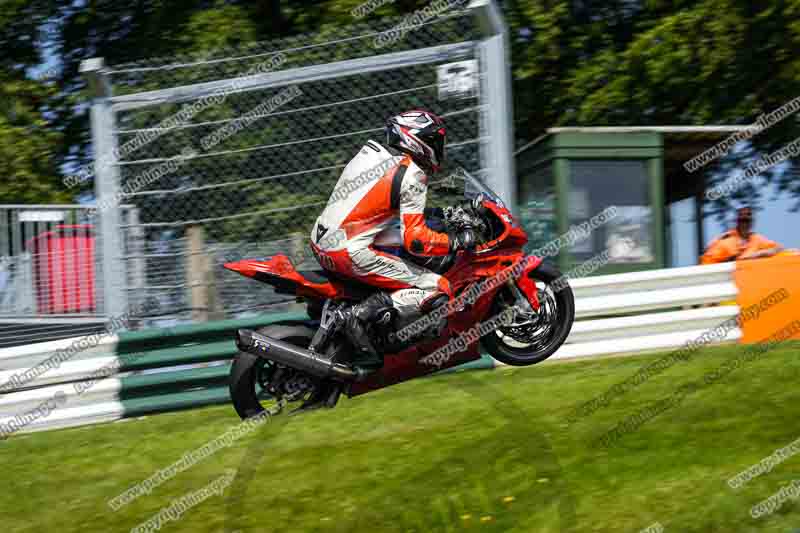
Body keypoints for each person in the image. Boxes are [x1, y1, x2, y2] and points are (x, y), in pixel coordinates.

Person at [309, 110, 476, 364]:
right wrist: (455, 241)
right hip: (348, 251)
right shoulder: (413, 174)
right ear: (417, 140)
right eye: (434, 141)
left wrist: (442, 214)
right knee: (437, 287)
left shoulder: (372, 155)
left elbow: (382, 208)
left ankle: (370, 324)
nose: (438, 147)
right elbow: (416, 240)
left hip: (322, 241)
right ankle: (356, 315)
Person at [700, 207, 784, 264]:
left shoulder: (757, 239)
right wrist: (728, 261)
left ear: (752, 222)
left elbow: (779, 248)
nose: (745, 223)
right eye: (742, 220)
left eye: (747, 220)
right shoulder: (725, 240)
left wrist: (759, 254)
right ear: (737, 221)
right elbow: (706, 262)